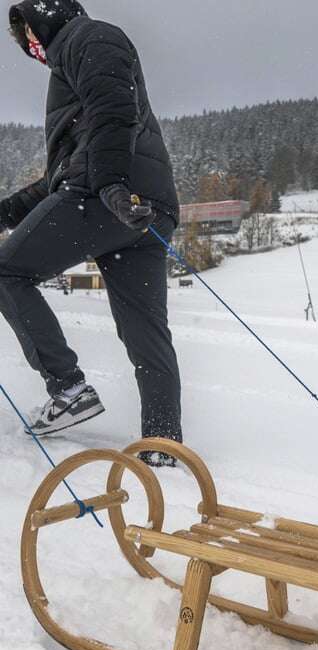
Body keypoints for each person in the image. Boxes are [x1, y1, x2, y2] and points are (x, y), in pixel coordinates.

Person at [0, 1, 181, 465]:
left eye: (30, 37)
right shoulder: (75, 65)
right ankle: (163, 447)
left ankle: (68, 388)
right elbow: (56, 181)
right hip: (142, 210)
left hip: (105, 199)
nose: (31, 49)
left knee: (6, 272)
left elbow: (113, 109)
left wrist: (111, 185)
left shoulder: (89, 37)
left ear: (45, 20)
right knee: (147, 335)